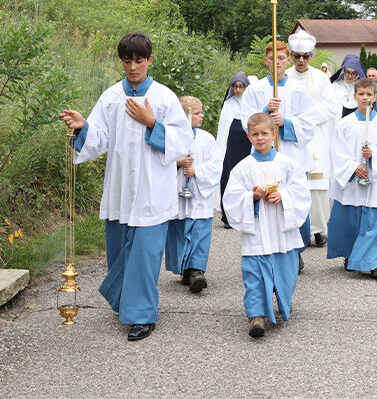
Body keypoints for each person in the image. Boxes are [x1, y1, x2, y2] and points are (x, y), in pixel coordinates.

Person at [58, 32, 193, 341]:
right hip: (120, 188)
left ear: (150, 60)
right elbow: (99, 139)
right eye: (127, 61)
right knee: (119, 251)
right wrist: (83, 126)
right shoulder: (110, 97)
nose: (133, 67)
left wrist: (151, 123)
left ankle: (142, 315)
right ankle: (126, 303)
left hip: (152, 190)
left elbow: (183, 142)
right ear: (121, 61)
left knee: (144, 254)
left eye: (139, 60)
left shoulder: (163, 97)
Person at [222, 112, 311, 338]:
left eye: (264, 133)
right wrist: (251, 197)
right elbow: (231, 198)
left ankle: (282, 300)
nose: (260, 138)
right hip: (258, 233)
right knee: (254, 275)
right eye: (255, 134)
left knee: (286, 273)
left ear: (274, 134)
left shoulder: (288, 164)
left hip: (282, 231)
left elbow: (300, 191)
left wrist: (282, 195)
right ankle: (256, 315)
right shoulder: (242, 168)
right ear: (248, 136)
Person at [240, 40, 315, 272]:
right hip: (265, 154)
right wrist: (264, 111)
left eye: (282, 58)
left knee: (294, 200)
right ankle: (268, 247)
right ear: (266, 61)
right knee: (269, 201)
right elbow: (245, 120)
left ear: (288, 60)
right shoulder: (255, 90)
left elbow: (310, 123)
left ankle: (297, 250)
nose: (277, 63)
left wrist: (286, 123)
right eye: (273, 58)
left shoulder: (299, 90)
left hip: (291, 154)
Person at [327, 78, 377, 279]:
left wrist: (373, 154)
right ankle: (351, 254)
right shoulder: (345, 124)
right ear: (354, 96)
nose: (365, 98)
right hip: (353, 181)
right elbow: (337, 151)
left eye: (369, 94)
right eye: (361, 94)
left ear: (375, 97)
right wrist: (353, 166)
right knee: (351, 220)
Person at [164, 96, 222, 292]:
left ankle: (197, 270)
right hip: (178, 193)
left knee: (199, 230)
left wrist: (196, 171)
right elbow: (158, 162)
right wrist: (177, 164)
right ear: (185, 115)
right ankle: (185, 269)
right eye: (197, 113)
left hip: (198, 194)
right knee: (180, 231)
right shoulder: (170, 136)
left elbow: (216, 166)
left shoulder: (207, 139)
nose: (202, 116)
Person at [287, 30, 337, 248]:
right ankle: (298, 229)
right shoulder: (284, 77)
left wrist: (306, 117)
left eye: (305, 56)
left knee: (317, 186)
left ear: (312, 56)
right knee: (295, 184)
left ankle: (319, 228)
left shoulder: (322, 79)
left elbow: (330, 108)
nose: (300, 60)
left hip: (315, 135)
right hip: (290, 135)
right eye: (296, 56)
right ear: (290, 55)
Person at [216, 73, 252, 227]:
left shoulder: (251, 102)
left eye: (241, 86)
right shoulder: (229, 104)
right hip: (232, 145)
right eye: (235, 86)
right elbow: (223, 129)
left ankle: (246, 212)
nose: (238, 90)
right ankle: (228, 215)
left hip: (247, 143)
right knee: (229, 176)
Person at [330, 54, 366, 119]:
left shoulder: (362, 88)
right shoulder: (335, 86)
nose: (350, 76)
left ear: (358, 74)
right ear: (343, 71)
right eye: (347, 72)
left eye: (354, 73)